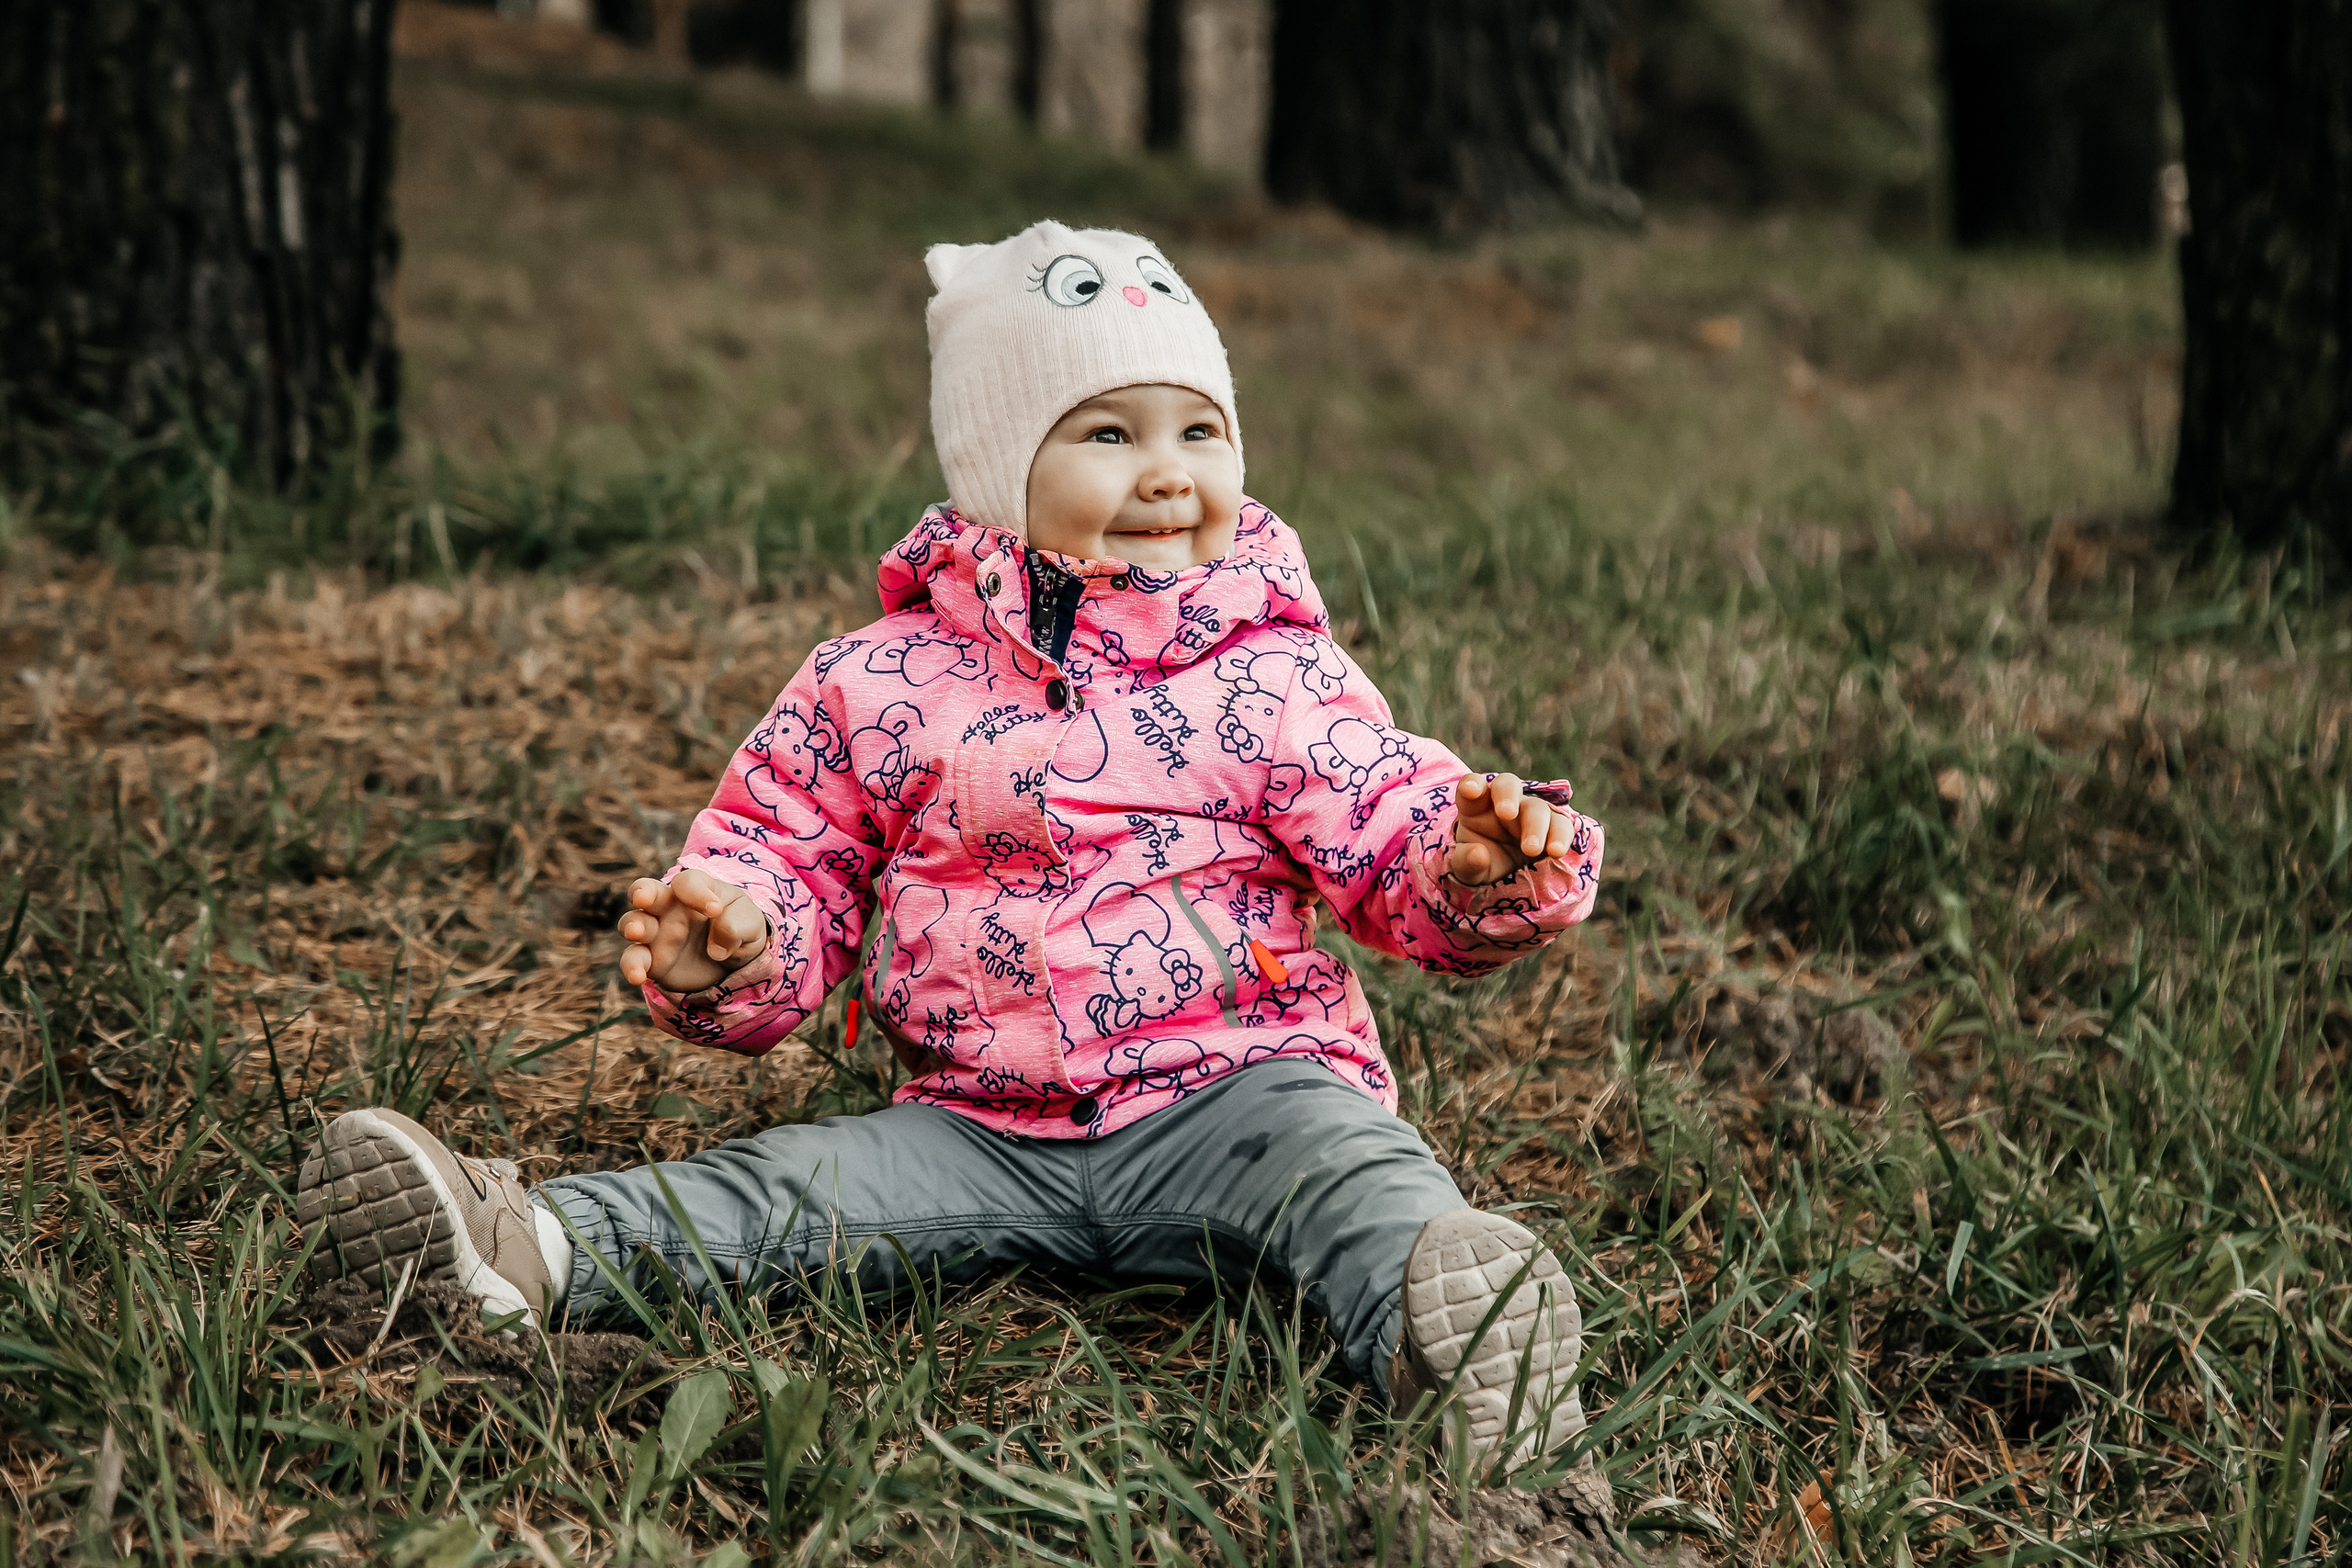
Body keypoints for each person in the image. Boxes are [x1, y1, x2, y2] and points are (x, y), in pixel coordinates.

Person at [297, 220, 1605, 1471]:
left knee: (1360, 1181)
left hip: (1245, 1095)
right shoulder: (879, 681)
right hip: (980, 1125)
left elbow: (1383, 820)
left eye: (1200, 430)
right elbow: (782, 851)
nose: (1168, 472)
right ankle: (519, 1249)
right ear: (998, 468)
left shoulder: (1272, 673)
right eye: (1110, 433)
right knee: (785, 1191)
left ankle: (1454, 1357)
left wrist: (1473, 862)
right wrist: (734, 944)